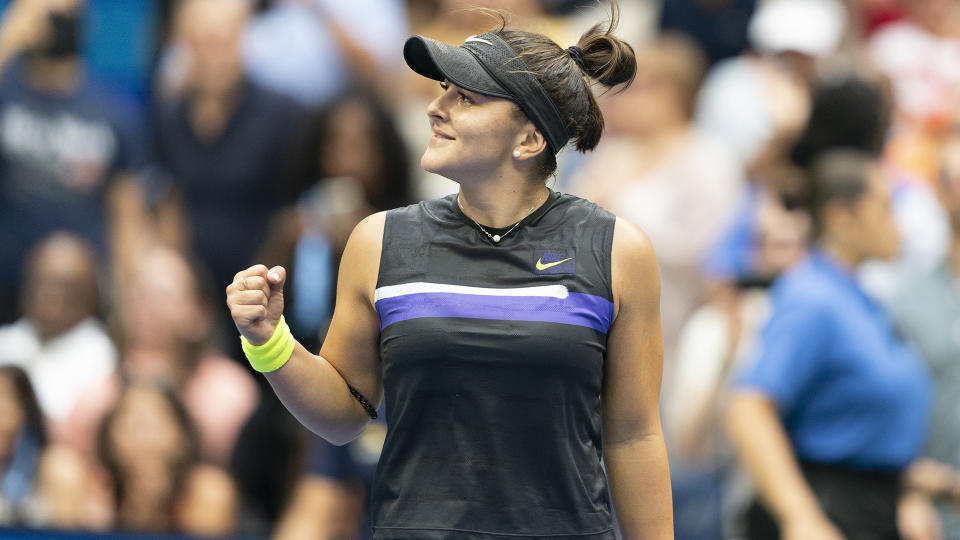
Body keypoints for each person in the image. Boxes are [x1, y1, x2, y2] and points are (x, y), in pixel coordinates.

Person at [226, 4, 673, 539]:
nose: (435, 108)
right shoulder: (378, 241)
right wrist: (271, 341)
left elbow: (634, 437)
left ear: (529, 140)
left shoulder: (619, 251)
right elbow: (345, 415)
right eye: (441, 90)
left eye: (465, 97)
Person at [724, 149, 934, 539]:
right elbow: (749, 409)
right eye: (885, 208)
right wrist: (800, 517)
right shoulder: (811, 296)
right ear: (842, 216)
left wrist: (910, 486)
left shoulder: (859, 298)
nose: (896, 224)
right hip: (830, 508)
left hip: (872, 506)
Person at [890, 128, 960, 539]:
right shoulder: (908, 292)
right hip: (938, 514)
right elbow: (886, 402)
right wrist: (908, 492)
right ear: (939, 192)